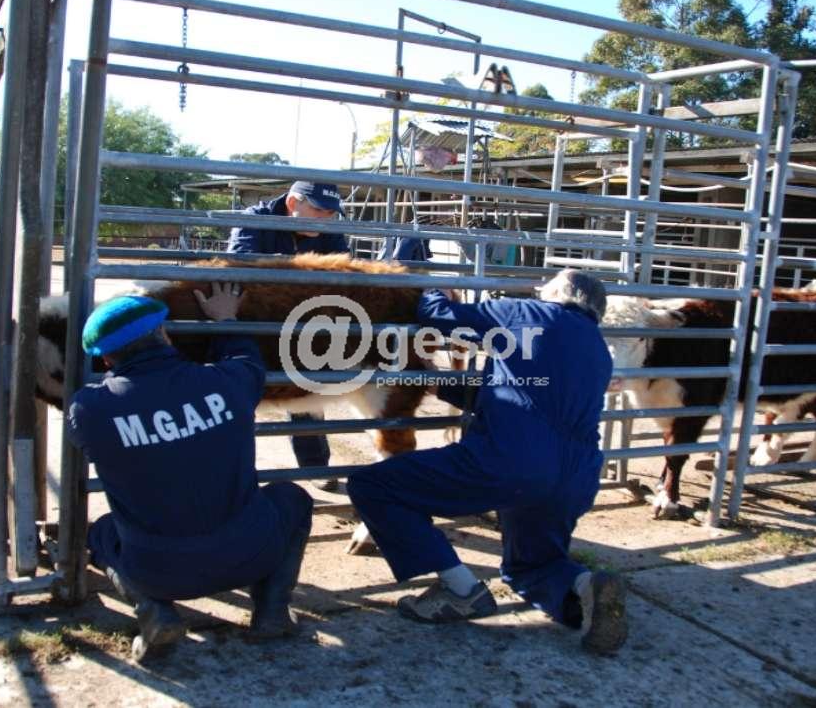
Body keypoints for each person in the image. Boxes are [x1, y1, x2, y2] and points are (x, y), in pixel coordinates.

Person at [345, 269, 629, 655]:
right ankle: (584, 588)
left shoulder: (525, 313)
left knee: (373, 486)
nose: (537, 290)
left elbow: (439, 316)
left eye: (544, 287)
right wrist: (439, 384)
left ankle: (460, 589)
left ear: (559, 292)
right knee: (532, 567)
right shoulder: (596, 349)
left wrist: (433, 287)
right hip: (576, 478)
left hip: (510, 461)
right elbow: (522, 393)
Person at [67, 284, 314, 660]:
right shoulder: (226, 381)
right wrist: (226, 319)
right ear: (165, 335)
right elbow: (246, 359)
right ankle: (272, 612)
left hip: (158, 573)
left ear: (104, 361)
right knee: (293, 497)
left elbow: (91, 441)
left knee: (102, 532)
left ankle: (155, 611)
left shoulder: (89, 410)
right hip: (252, 554)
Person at [228, 181, 349, 489]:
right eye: (319, 210)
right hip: (253, 324)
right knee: (242, 395)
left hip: (302, 325)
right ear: (294, 203)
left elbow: (344, 275)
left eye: (331, 213)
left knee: (306, 392)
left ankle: (314, 468)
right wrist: (308, 279)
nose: (325, 219)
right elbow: (241, 271)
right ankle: (236, 475)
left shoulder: (328, 230)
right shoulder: (254, 220)